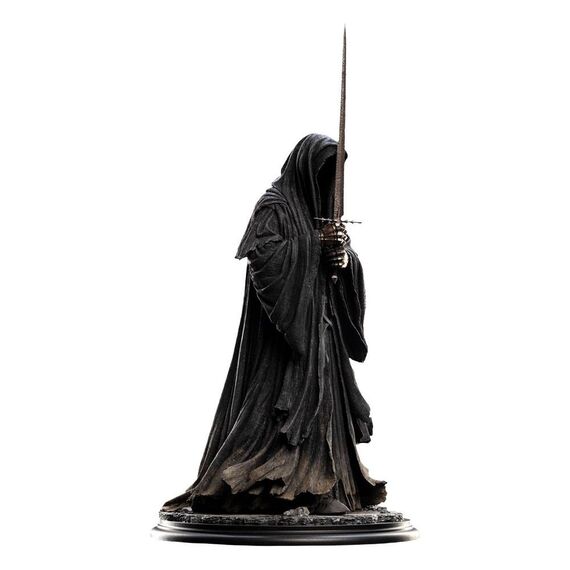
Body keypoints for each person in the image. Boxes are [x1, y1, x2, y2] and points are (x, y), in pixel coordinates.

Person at [163, 133, 386, 515]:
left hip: (323, 330)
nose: (327, 184)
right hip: (284, 339)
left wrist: (342, 258)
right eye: (322, 173)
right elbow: (264, 258)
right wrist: (313, 244)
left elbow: (341, 261)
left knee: (326, 407)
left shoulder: (320, 211)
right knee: (283, 413)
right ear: (304, 169)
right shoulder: (274, 207)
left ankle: (326, 485)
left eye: (332, 176)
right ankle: (279, 488)